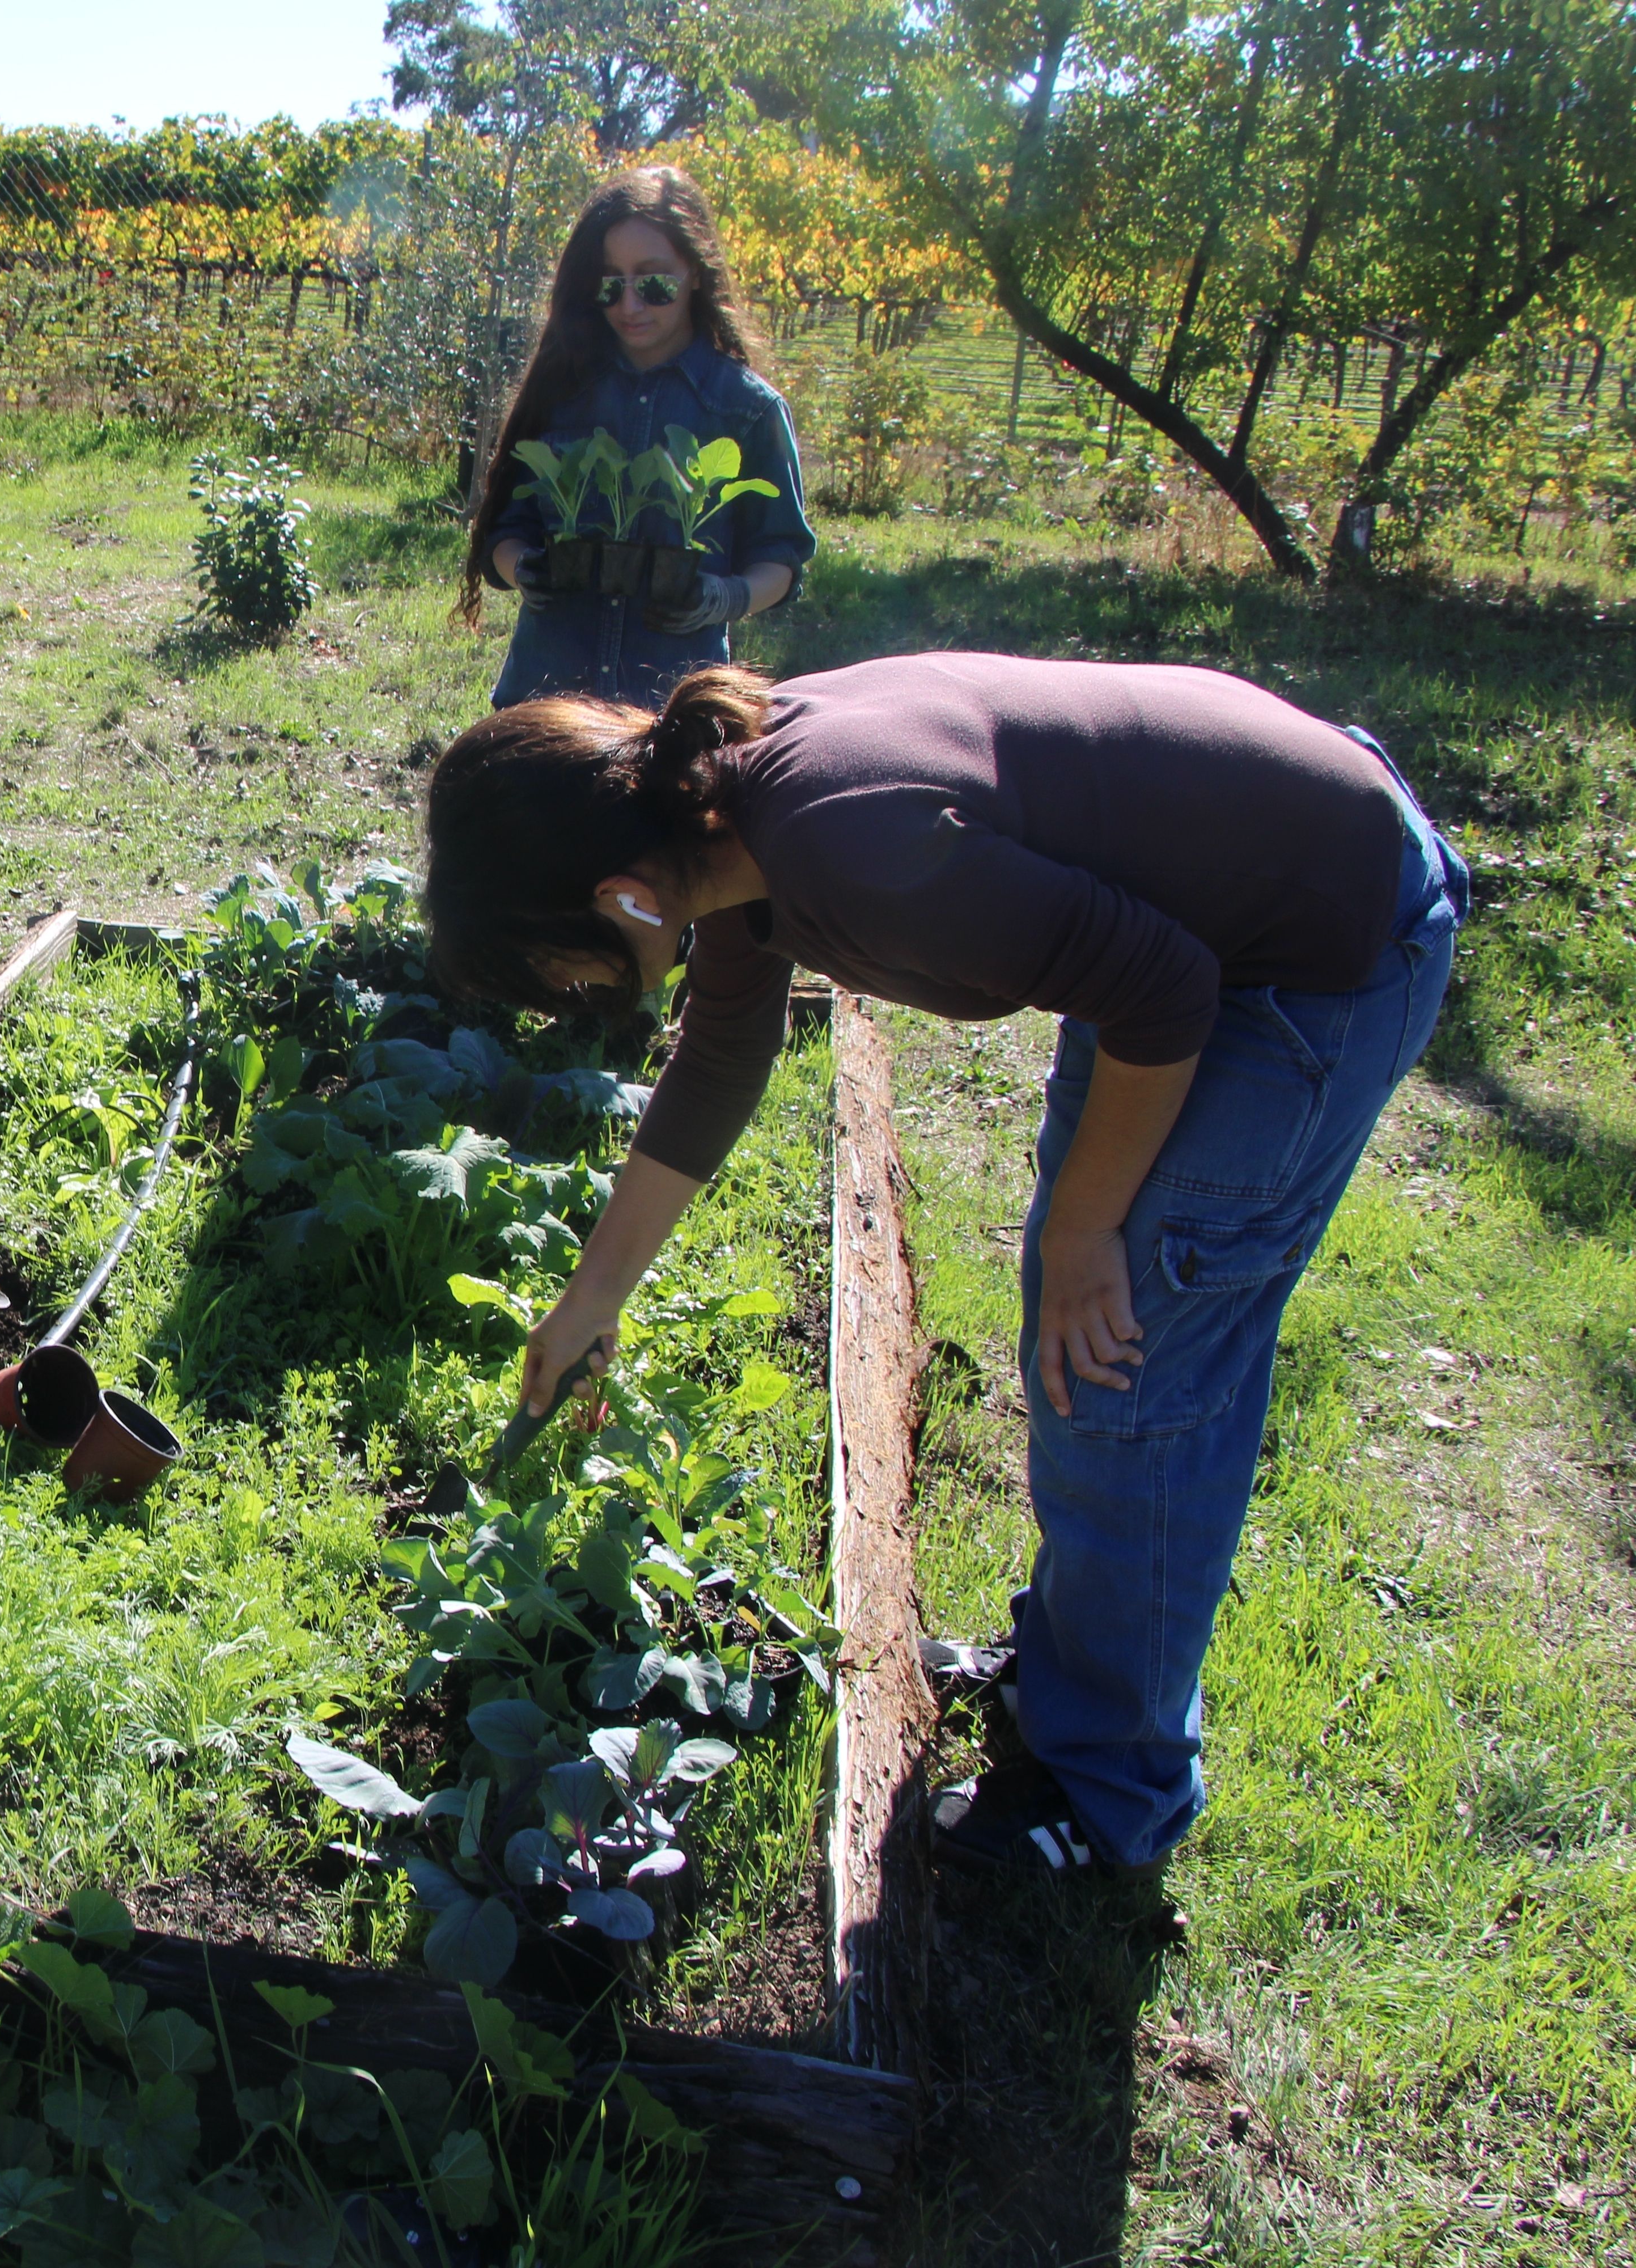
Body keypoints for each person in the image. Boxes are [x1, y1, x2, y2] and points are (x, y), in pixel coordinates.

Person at [423, 653, 1464, 1882]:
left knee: (1131, 1368)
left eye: (561, 968)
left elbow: (1165, 992)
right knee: (1083, 1338)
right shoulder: (720, 821)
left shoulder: (847, 841)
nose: (574, 994)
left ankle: (1112, 1787)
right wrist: (593, 1294)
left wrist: (1084, 1233)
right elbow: (720, 1056)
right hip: (1204, 915)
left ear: (624, 897)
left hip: (1316, 944)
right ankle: (1078, 1677)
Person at [459, 167, 815, 710]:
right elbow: (507, 530)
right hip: (547, 704)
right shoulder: (563, 389)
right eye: (610, 284)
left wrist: (725, 597)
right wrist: (524, 569)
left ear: (695, 272)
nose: (630, 305)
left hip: (669, 711)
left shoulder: (747, 408)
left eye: (653, 282)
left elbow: (782, 557)